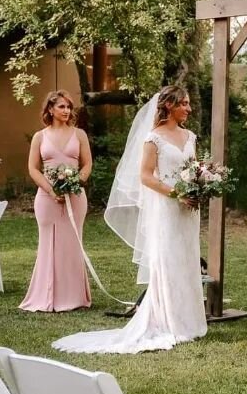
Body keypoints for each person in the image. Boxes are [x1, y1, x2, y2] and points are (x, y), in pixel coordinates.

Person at [53, 85, 207, 354]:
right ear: (169, 106)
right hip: (166, 208)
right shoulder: (153, 138)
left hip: (188, 211)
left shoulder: (190, 137)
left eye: (189, 103)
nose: (189, 108)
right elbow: (146, 176)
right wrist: (176, 194)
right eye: (183, 103)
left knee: (187, 258)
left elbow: (193, 170)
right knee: (167, 260)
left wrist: (200, 186)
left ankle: (190, 320)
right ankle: (168, 321)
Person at [19, 90, 93, 312]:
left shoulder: (79, 134)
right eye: (61, 106)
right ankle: (46, 295)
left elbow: (87, 164)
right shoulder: (39, 137)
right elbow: (33, 168)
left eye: (69, 107)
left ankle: (75, 297)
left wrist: (75, 183)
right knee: (48, 244)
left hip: (75, 196)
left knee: (71, 244)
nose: (66, 111)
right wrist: (51, 190)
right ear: (50, 109)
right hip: (46, 198)